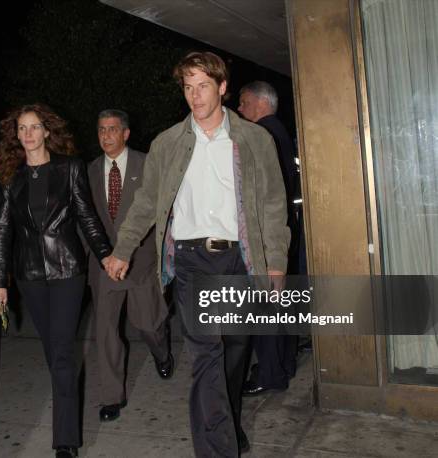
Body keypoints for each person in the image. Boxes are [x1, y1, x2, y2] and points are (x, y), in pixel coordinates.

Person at [105, 52, 289, 457]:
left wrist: (275, 261)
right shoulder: (167, 143)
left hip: (238, 259)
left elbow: (274, 205)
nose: (195, 96)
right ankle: (219, 449)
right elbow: (146, 202)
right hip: (190, 260)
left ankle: (228, 423)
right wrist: (123, 248)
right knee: (207, 355)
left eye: (203, 85)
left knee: (235, 351)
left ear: (222, 87)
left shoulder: (255, 141)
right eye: (188, 88)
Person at [0, 103, 111, 458]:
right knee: (53, 353)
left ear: (46, 131)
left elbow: (87, 216)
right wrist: (0, 283)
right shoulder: (11, 178)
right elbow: (1, 233)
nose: (27, 134)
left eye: (33, 127)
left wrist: (105, 255)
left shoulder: (69, 168)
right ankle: (66, 420)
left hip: (67, 272)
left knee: (60, 354)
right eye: (21, 128)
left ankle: (65, 441)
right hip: (30, 276)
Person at [87, 109, 172, 423]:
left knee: (148, 323)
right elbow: (88, 220)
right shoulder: (90, 171)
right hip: (105, 264)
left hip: (140, 262)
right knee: (106, 331)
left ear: (125, 134)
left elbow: (163, 211)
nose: (106, 135)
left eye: (112, 129)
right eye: (101, 129)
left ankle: (162, 353)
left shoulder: (147, 164)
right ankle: (112, 397)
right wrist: (97, 258)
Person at [238, 81, 300, 395]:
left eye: (243, 102)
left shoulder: (262, 136)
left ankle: (270, 374)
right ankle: (283, 366)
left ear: (261, 103)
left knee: (265, 310)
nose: (239, 109)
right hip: (284, 233)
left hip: (266, 238)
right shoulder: (281, 133)